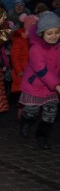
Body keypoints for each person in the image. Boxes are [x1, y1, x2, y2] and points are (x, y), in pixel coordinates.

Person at [18, 11, 60, 150]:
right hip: (35, 86)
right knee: (31, 111)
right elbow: (42, 70)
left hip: (51, 89)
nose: (54, 36)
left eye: (57, 32)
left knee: (50, 113)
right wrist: (57, 85)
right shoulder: (35, 49)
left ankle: (42, 137)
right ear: (42, 33)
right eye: (50, 33)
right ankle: (25, 122)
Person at [10, 13, 39, 120]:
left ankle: (29, 117)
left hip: (34, 73)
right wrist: (19, 71)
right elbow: (15, 56)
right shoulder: (20, 40)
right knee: (24, 98)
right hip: (23, 73)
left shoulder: (36, 39)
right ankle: (22, 119)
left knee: (31, 97)